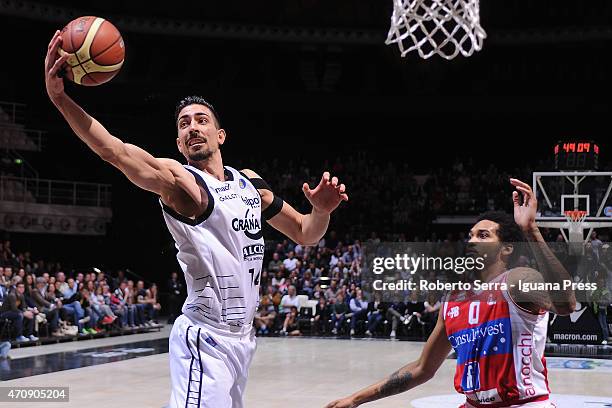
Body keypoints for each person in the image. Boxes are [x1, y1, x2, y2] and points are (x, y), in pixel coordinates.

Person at [45, 29, 348, 408]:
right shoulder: (181, 182)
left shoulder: (250, 184)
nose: (192, 127)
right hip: (205, 339)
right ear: (178, 143)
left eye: (201, 120)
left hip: (242, 341)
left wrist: (320, 211)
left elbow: (306, 234)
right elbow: (115, 152)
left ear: (220, 135)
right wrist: (61, 100)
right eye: (184, 124)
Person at [326, 179, 576, 408]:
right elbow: (422, 368)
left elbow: (566, 304)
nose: (472, 240)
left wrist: (531, 231)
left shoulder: (518, 280)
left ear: (507, 248)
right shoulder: (454, 299)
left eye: (483, 235)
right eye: (471, 235)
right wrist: (356, 399)